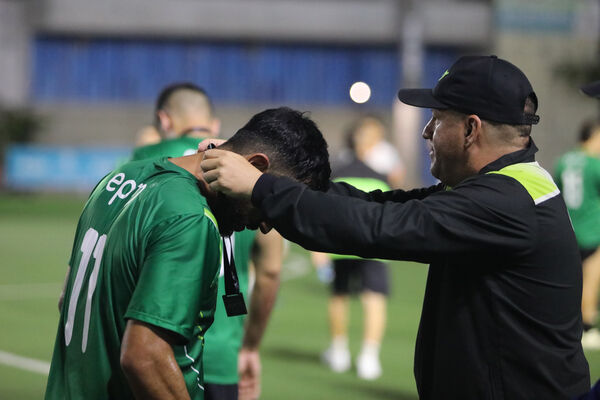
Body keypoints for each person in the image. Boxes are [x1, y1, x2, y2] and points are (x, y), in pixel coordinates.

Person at [199, 55, 591, 399]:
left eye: (436, 120)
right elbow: (377, 205)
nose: (426, 131)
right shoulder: (503, 187)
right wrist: (278, 175)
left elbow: (374, 226)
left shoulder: (505, 202)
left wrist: (260, 186)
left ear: (471, 129)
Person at [44, 107, 331, 400]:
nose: (268, 225)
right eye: (272, 200)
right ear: (255, 166)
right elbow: (145, 356)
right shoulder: (191, 218)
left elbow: (65, 299)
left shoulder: (119, 177)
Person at [131, 82, 284, 400]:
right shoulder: (243, 171)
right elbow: (270, 272)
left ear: (164, 120)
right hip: (220, 354)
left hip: (151, 342)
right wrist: (251, 346)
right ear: (213, 127)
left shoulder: (141, 163)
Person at [315, 117, 392, 380]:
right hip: (374, 245)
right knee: (374, 299)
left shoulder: (337, 171)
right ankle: (368, 358)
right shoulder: (382, 176)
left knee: (340, 296)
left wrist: (318, 249)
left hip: (341, 244)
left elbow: (323, 213)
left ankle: (339, 353)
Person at [555, 119, 600, 349]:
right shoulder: (595, 165)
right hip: (592, 230)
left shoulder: (564, 161)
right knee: (591, 279)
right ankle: (588, 327)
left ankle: (567, 324)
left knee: (571, 280)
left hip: (570, 230)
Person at [131, 82, 221, 160]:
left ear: (165, 121)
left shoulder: (147, 155)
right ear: (216, 125)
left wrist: (144, 150)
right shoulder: (232, 156)